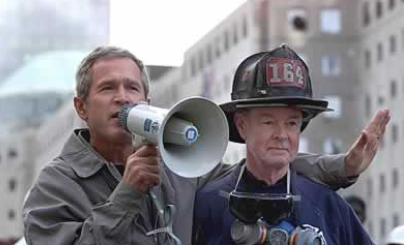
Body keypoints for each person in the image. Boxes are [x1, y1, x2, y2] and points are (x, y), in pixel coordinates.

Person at [22, 46, 388, 245]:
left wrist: (343, 167)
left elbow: (257, 167)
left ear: (147, 99)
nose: (123, 98)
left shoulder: (180, 166)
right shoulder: (55, 188)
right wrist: (127, 195)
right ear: (81, 107)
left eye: (132, 88)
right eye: (107, 88)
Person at [193, 44, 389, 245]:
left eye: (292, 123)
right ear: (242, 125)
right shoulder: (208, 205)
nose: (282, 135)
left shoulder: (328, 206)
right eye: (268, 122)